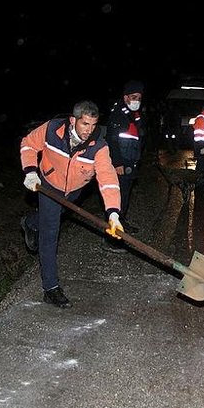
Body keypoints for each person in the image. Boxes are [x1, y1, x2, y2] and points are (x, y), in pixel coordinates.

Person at [19, 100, 124, 309]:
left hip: (73, 192)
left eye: (94, 125)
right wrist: (30, 171)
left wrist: (113, 213)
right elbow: (28, 144)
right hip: (48, 185)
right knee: (50, 233)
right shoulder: (52, 130)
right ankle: (50, 288)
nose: (89, 130)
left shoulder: (99, 147)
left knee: (54, 217)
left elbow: (108, 179)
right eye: (85, 124)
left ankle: (30, 222)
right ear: (73, 120)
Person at [106, 80, 146, 233]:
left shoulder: (134, 115)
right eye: (134, 97)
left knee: (125, 194)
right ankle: (112, 233)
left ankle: (121, 222)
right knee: (117, 196)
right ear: (126, 97)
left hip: (131, 161)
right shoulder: (118, 114)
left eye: (139, 98)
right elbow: (112, 139)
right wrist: (117, 163)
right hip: (121, 163)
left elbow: (138, 138)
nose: (137, 101)